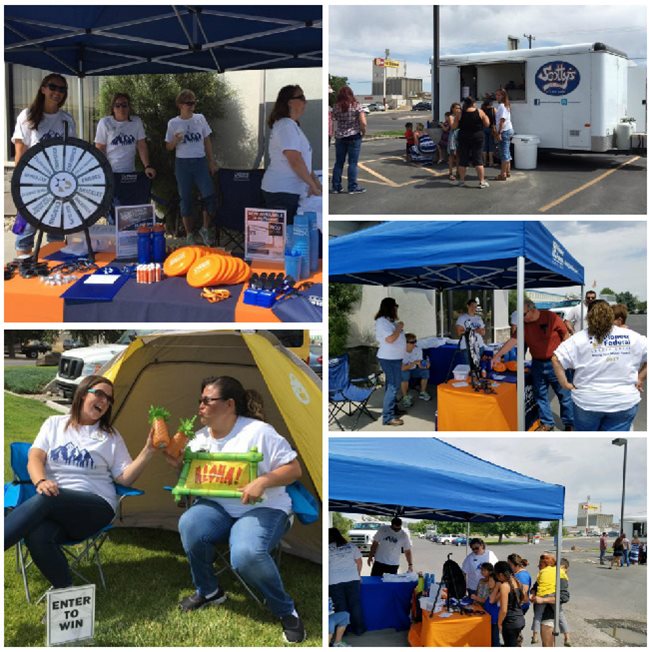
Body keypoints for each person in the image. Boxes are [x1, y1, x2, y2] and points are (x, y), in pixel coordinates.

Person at [172, 376, 305, 644]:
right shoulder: (198, 439)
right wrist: (178, 470)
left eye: (207, 401)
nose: (200, 406)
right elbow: (192, 475)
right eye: (200, 401)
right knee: (189, 522)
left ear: (229, 404)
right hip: (219, 507)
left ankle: (285, 610)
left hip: (266, 508)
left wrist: (263, 480)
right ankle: (209, 591)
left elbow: (294, 469)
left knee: (245, 554)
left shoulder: (259, 432)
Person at [4, 375, 155, 591]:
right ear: (83, 394)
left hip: (94, 508)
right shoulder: (54, 424)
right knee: (38, 534)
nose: (104, 401)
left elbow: (124, 477)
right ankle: (65, 593)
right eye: (99, 394)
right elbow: (35, 458)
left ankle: (10, 517)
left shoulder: (110, 437)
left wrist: (148, 451)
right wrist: (41, 481)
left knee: (48, 499)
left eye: (109, 399)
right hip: (53, 504)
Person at [552, 300, 647, 431]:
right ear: (611, 315)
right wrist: (640, 378)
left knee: (587, 442)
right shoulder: (633, 337)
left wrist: (565, 384)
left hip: (587, 402)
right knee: (613, 443)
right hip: (623, 401)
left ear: (588, 317)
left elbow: (556, 359)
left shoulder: (578, 339)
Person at [11, 73, 75, 256]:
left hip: (59, 186)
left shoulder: (67, 119)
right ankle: (23, 273)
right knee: (24, 233)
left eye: (62, 89)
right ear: (43, 89)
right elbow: (20, 153)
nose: (57, 92)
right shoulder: (27, 116)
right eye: (53, 87)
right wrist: (19, 186)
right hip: (32, 185)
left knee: (56, 234)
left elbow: (71, 153)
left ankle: (53, 270)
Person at [493, 299, 574, 431]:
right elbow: (513, 340)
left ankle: (569, 423)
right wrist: (498, 355)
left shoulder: (550, 317)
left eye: (524, 314)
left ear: (532, 310)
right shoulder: (523, 324)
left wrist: (567, 357)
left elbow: (565, 335)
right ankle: (547, 423)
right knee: (540, 395)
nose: (522, 318)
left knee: (564, 395)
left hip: (556, 362)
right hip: (537, 363)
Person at [261, 84, 321, 224]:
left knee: (287, 235)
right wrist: (312, 185)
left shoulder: (290, 125)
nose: (305, 101)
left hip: (287, 191)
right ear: (290, 102)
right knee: (283, 238)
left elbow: (304, 161)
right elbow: (295, 160)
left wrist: (315, 183)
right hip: (282, 192)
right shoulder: (286, 126)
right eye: (301, 97)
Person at [165, 89, 218, 246]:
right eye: (189, 103)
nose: (192, 105)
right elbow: (168, 147)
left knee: (209, 195)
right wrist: (175, 140)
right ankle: (189, 234)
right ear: (180, 105)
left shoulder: (200, 119)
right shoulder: (173, 123)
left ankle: (205, 228)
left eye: (194, 102)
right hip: (182, 163)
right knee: (186, 199)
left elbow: (207, 140)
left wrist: (211, 161)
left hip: (200, 162)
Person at [95, 92, 156, 224]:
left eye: (124, 105)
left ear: (129, 107)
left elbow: (141, 144)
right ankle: (114, 234)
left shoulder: (136, 122)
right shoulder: (105, 123)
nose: (121, 108)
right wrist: (101, 170)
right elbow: (100, 148)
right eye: (117, 105)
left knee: (129, 209)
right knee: (113, 209)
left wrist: (147, 166)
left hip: (130, 173)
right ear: (113, 108)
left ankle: (128, 236)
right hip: (111, 173)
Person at [374, 298, 407, 426]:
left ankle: (392, 409)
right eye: (395, 306)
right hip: (389, 359)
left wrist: (397, 327)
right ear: (390, 307)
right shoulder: (382, 322)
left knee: (391, 385)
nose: (396, 308)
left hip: (395, 358)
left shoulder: (388, 321)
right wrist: (399, 328)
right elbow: (390, 339)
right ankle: (388, 417)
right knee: (393, 386)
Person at [329, 527, 365, 636]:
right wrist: (358, 575)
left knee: (341, 607)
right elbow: (359, 562)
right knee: (355, 605)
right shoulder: (351, 546)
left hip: (334, 581)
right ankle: (358, 630)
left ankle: (342, 632)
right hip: (352, 579)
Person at [331, 85, 367, 194]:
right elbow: (363, 123)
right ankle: (352, 187)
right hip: (354, 136)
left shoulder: (336, 107)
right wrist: (363, 132)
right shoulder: (356, 106)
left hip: (340, 136)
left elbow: (334, 121)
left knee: (339, 162)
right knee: (352, 162)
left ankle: (336, 187)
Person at [529, 553, 568, 645]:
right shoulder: (544, 576)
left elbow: (563, 597)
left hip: (549, 617)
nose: (538, 566)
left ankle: (567, 637)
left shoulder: (560, 578)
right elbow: (535, 587)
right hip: (543, 616)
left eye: (541, 564)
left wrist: (543, 600)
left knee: (548, 645)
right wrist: (533, 594)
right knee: (545, 645)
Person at [456, 96, 491, 188]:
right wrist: (486, 116)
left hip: (463, 137)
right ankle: (482, 181)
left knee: (463, 159)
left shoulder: (460, 113)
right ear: (473, 103)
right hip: (477, 137)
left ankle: (462, 181)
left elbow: (454, 126)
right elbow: (487, 124)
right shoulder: (480, 111)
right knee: (478, 158)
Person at [493, 561, 525, 647]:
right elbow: (523, 600)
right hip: (520, 619)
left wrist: (499, 623)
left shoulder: (504, 586)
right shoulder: (517, 582)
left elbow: (503, 610)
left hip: (510, 623)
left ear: (500, 575)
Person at [399, 333, 431, 408]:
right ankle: (405, 397)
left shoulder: (418, 349)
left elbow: (420, 364)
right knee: (404, 374)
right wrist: (413, 363)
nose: (414, 344)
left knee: (426, 372)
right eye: (412, 342)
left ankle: (422, 392)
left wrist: (426, 365)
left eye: (415, 341)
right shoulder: (400, 351)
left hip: (414, 369)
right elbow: (402, 368)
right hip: (404, 370)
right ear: (405, 343)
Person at [474, 563, 500, 647]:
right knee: (490, 638)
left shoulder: (496, 592)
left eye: (491, 581)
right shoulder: (484, 583)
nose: (489, 583)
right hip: (487, 617)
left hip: (494, 620)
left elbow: (490, 601)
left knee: (495, 639)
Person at [455, 299, 486, 367]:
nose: (473, 308)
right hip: (467, 347)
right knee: (469, 369)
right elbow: (459, 332)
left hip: (479, 346)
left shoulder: (479, 318)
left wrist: (470, 330)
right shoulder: (462, 318)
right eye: (472, 306)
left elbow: (483, 332)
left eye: (475, 307)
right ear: (467, 306)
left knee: (477, 368)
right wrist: (476, 330)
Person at [493, 88, 514, 181]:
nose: (497, 96)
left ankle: (503, 174)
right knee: (507, 152)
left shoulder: (502, 106)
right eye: (496, 94)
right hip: (508, 130)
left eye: (499, 95)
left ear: (503, 96)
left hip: (504, 131)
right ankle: (508, 172)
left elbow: (502, 121)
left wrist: (499, 133)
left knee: (504, 153)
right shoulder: (506, 105)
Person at [481, 98, 497, 168]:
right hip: (491, 129)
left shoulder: (482, 110)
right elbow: (496, 119)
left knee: (484, 145)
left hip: (483, 128)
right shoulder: (494, 110)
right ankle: (491, 162)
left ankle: (484, 162)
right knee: (491, 145)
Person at [447, 102, 461, 181]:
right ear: (452, 109)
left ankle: (458, 172)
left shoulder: (461, 116)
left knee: (458, 155)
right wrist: (458, 119)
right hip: (453, 136)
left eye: (459, 108)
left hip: (460, 136)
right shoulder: (451, 117)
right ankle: (451, 173)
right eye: (456, 108)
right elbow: (453, 126)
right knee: (452, 155)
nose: (458, 109)